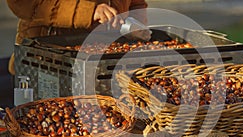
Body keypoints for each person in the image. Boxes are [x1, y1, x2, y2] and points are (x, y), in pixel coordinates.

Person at [6, 0, 148, 75]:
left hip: (104, 65)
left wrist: (135, 25)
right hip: (46, 63)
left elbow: (136, 3)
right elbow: (23, 3)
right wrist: (88, 12)